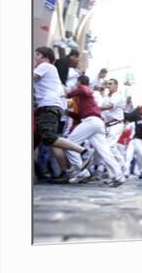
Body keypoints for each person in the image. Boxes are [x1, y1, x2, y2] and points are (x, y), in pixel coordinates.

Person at [33, 47, 90, 176]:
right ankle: (68, 170)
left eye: (37, 55)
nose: (35, 58)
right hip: (51, 106)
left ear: (45, 57)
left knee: (49, 138)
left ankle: (83, 152)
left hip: (49, 106)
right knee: (39, 139)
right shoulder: (52, 73)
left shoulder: (45, 66)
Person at [64, 75, 126, 187]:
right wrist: (68, 112)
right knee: (105, 151)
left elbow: (82, 90)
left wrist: (66, 93)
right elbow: (79, 115)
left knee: (69, 144)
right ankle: (118, 176)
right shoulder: (88, 96)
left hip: (93, 122)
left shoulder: (84, 89)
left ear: (79, 82)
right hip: (99, 123)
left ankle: (81, 171)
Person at [100, 78, 125, 168]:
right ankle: (120, 166)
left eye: (110, 84)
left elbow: (109, 106)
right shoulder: (106, 97)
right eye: (108, 84)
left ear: (116, 86)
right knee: (109, 147)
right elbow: (101, 104)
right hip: (107, 126)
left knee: (108, 146)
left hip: (116, 124)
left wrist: (95, 108)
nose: (108, 86)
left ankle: (119, 166)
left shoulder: (118, 95)